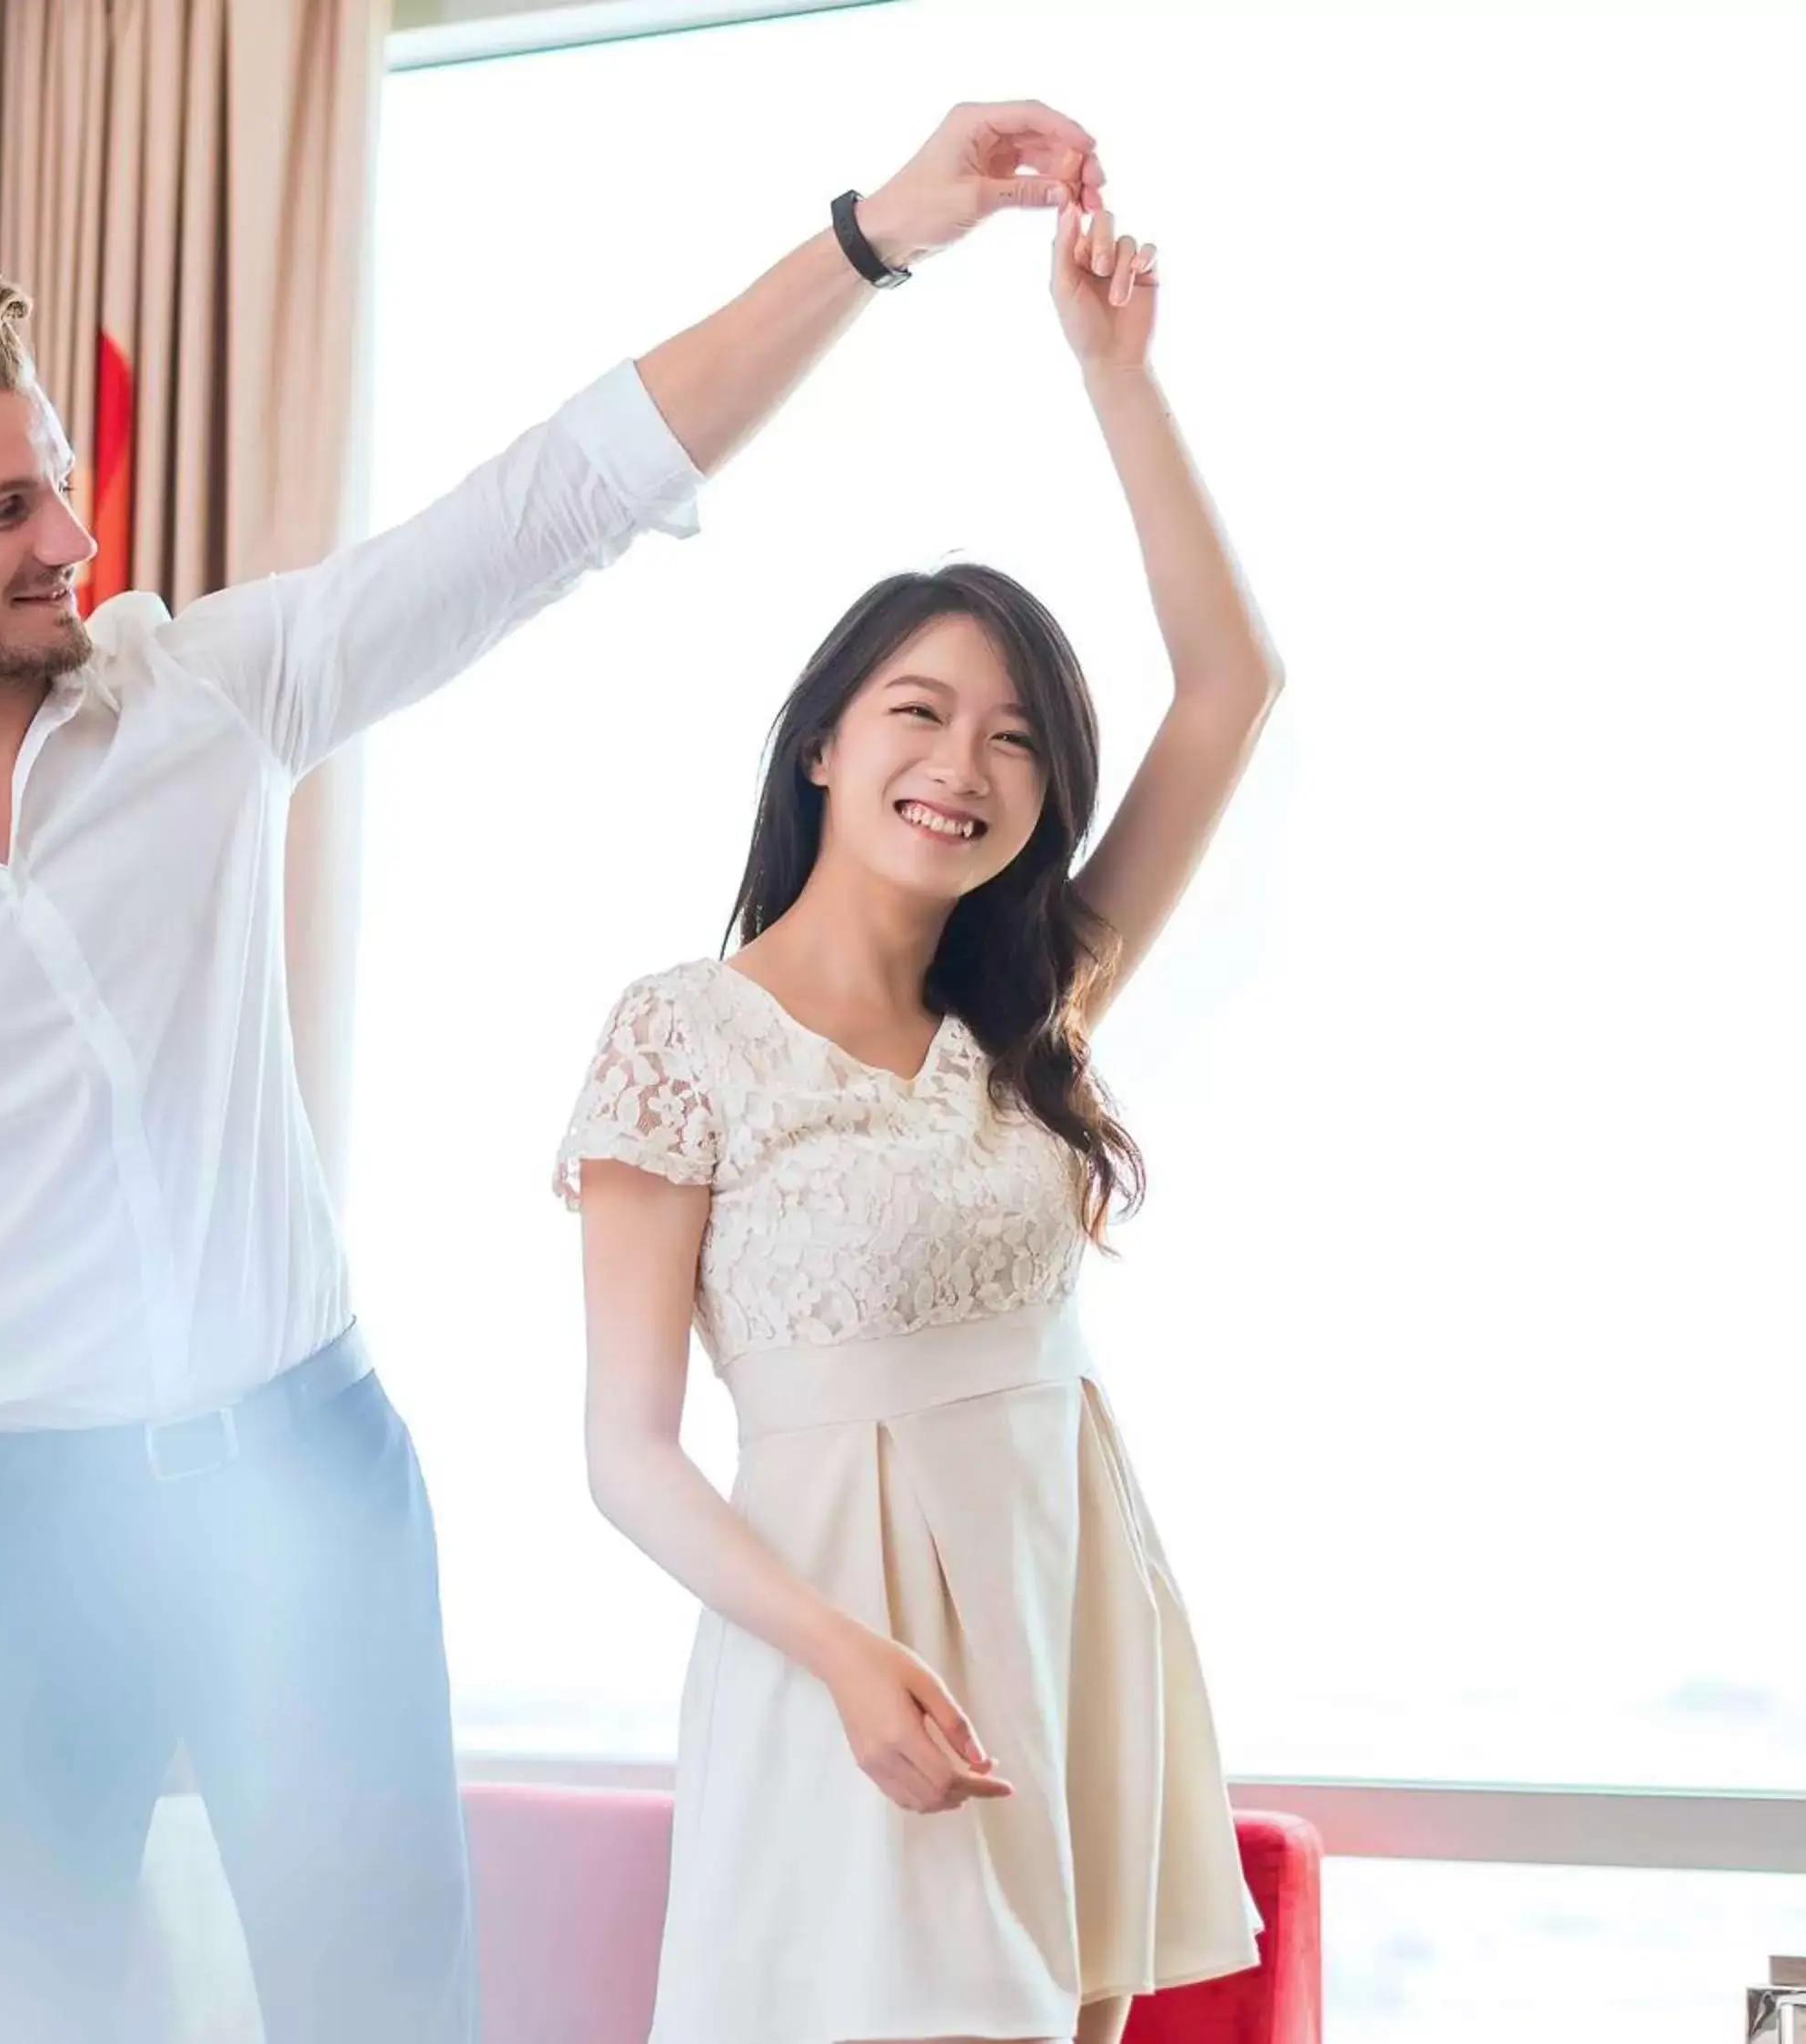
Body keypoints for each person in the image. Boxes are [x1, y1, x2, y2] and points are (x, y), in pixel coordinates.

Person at [0, 101, 1108, 2044]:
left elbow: (551, 500)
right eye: (4, 515)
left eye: (60, 481)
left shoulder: (202, 700)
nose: (74, 538)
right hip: (5, 1545)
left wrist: (879, 232)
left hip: (306, 1476)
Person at [557, 194, 1283, 2044]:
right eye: (920, 712)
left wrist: (1117, 375)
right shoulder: (679, 1038)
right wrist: (843, 1660)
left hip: (1066, 1610)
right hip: (835, 1662)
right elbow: (630, 1455)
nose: (963, 767)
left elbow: (1234, 687)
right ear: (824, 742)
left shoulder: (1036, 1008)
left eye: (1017, 738)